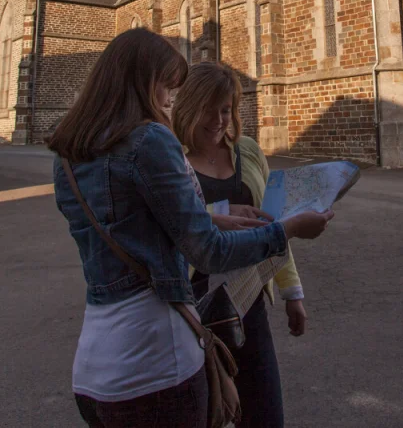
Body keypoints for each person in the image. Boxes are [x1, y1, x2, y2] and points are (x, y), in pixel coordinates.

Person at [49, 28, 333, 428]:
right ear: (144, 82)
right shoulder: (152, 139)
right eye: (167, 86)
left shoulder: (67, 156)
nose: (169, 99)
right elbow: (209, 251)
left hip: (95, 371)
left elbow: (126, 227)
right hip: (157, 363)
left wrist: (208, 216)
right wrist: (287, 230)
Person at [172, 62, 307, 428]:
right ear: (187, 107)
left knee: (265, 415)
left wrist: (292, 292)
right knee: (204, 416)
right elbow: (170, 226)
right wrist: (219, 211)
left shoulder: (247, 152)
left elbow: (273, 224)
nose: (218, 120)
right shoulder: (171, 161)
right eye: (208, 109)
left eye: (226, 109)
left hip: (249, 304)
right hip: (194, 309)